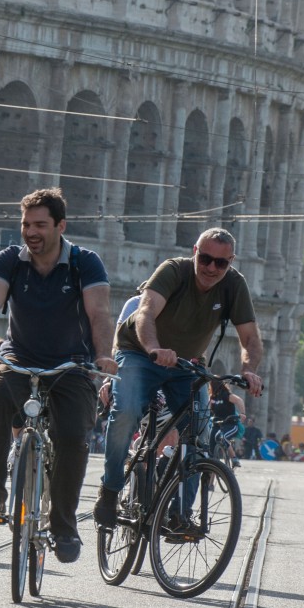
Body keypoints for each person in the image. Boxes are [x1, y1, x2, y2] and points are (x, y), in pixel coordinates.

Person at [0, 188, 117, 564]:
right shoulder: (9, 260)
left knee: (74, 437)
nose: (31, 231)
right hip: (19, 356)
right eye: (26, 224)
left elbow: (99, 313)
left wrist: (104, 356)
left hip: (70, 363)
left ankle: (64, 526)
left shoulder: (85, 263)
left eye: (40, 225)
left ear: (60, 226)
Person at [93, 227, 263, 530]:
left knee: (198, 433)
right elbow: (145, 313)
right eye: (206, 259)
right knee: (127, 411)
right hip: (140, 353)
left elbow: (249, 337)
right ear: (195, 252)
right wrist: (155, 348)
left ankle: (178, 513)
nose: (211, 268)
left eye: (220, 263)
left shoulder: (234, 286)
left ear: (231, 262)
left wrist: (249, 369)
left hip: (186, 364)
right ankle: (110, 488)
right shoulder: (173, 270)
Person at [208, 371, 246, 468]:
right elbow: (207, 409)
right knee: (211, 452)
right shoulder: (213, 397)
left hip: (230, 424)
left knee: (221, 437)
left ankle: (234, 458)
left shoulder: (226, 395)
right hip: (216, 425)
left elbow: (239, 400)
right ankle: (210, 481)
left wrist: (242, 413)